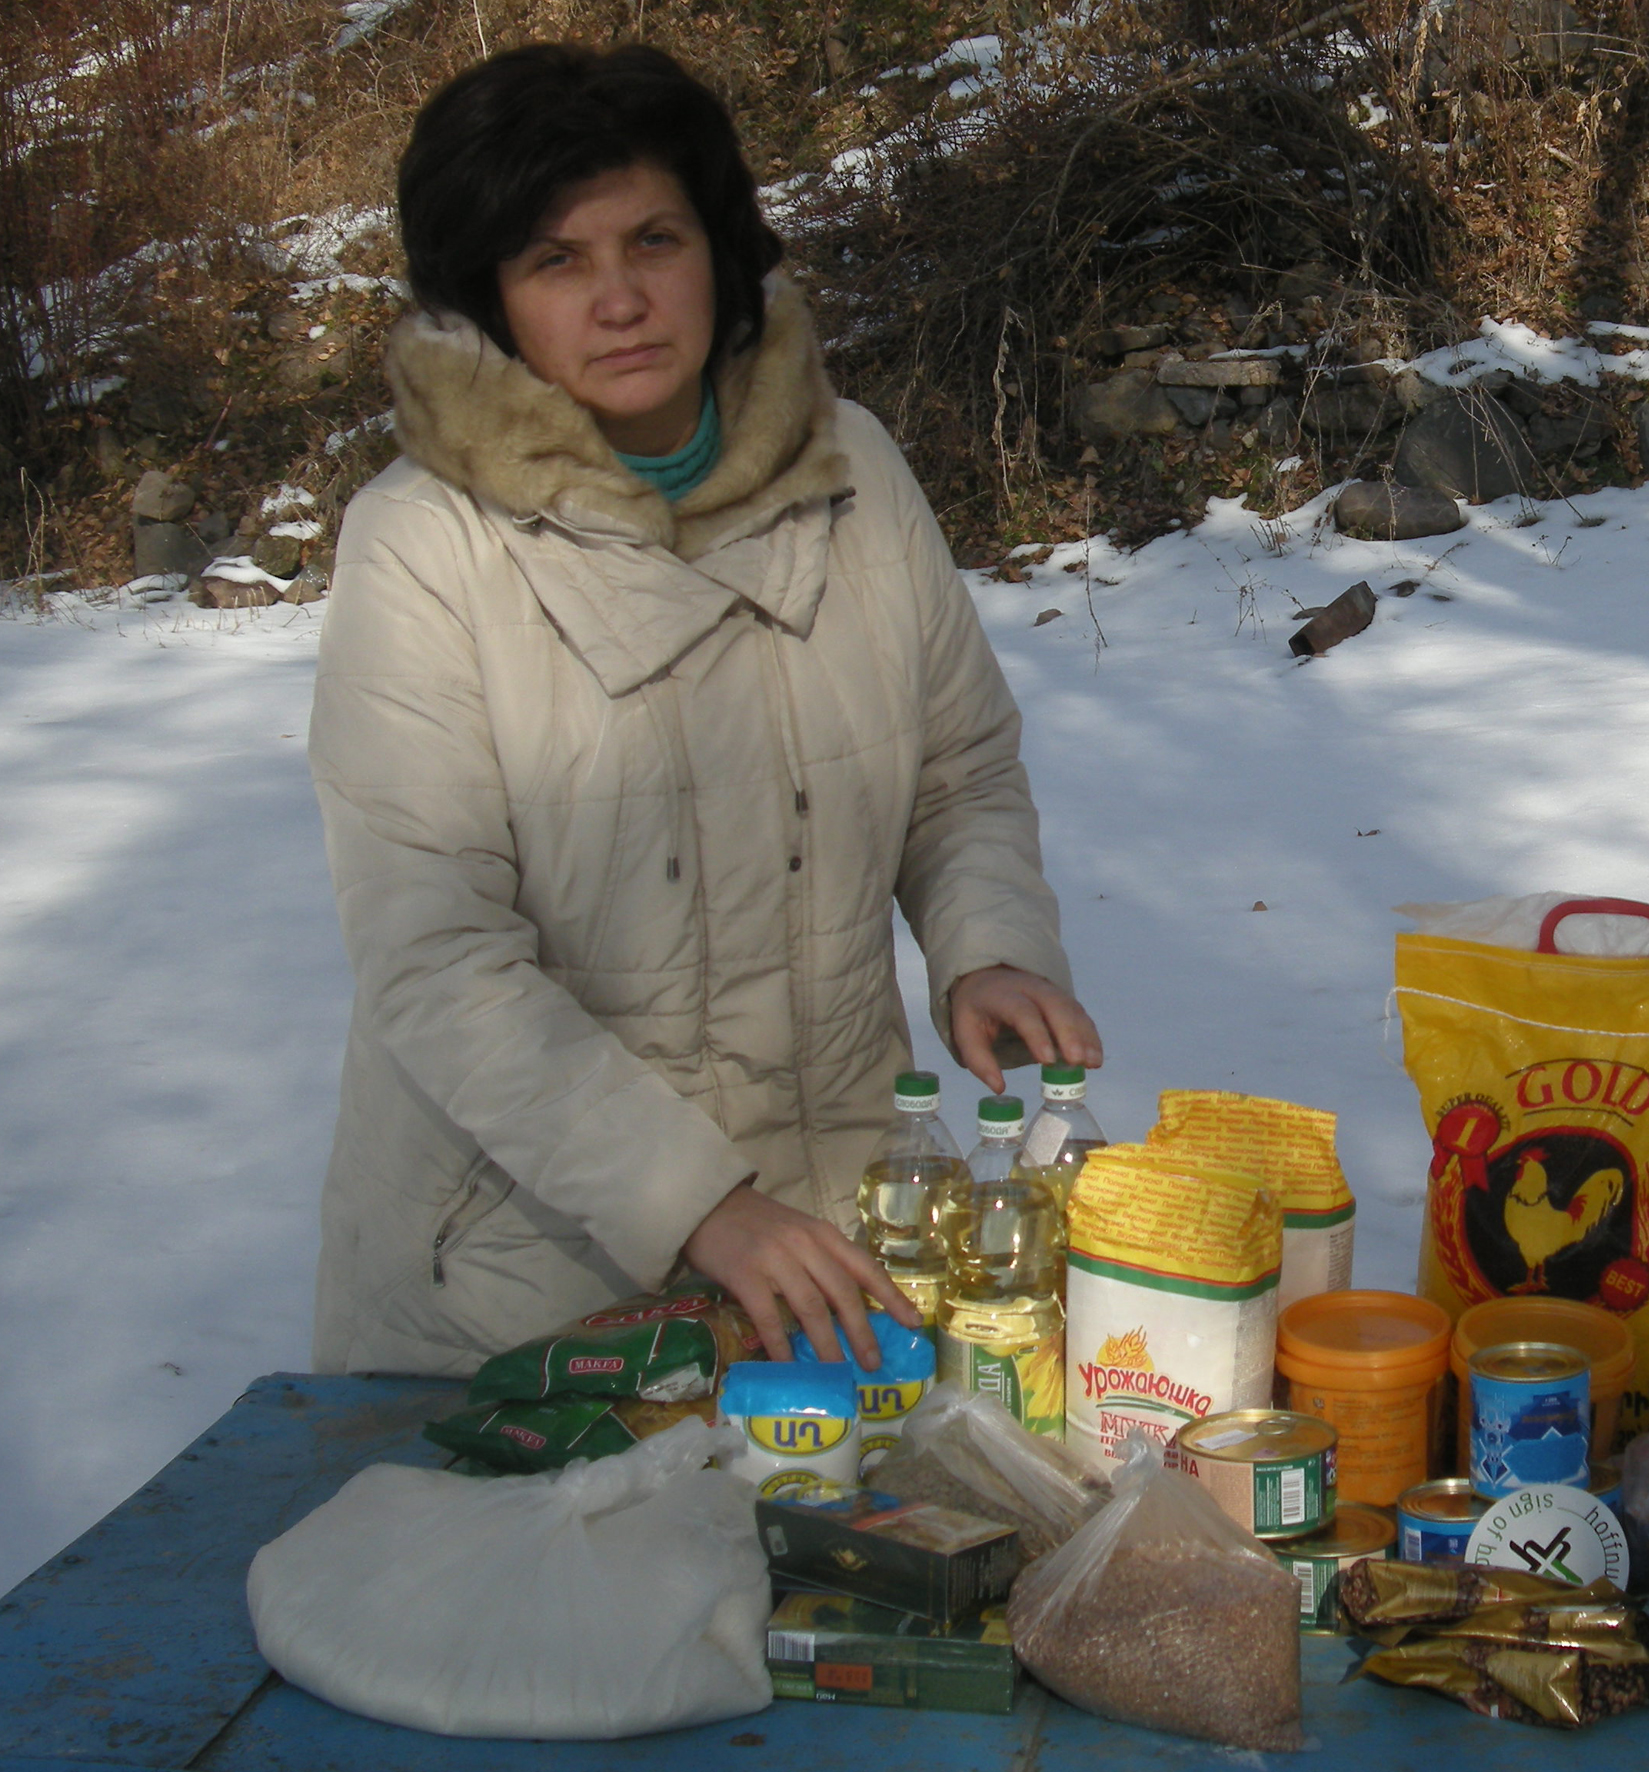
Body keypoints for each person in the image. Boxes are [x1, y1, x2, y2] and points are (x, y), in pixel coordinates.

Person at [307, 43, 1099, 1379]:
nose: (618, 299)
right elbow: (437, 960)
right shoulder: (423, 545)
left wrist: (986, 946)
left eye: (653, 240)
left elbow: (956, 770)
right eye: (556, 261)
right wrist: (696, 1206)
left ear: (719, 251)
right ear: (491, 298)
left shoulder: (855, 470)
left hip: (841, 1237)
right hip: (525, 1284)